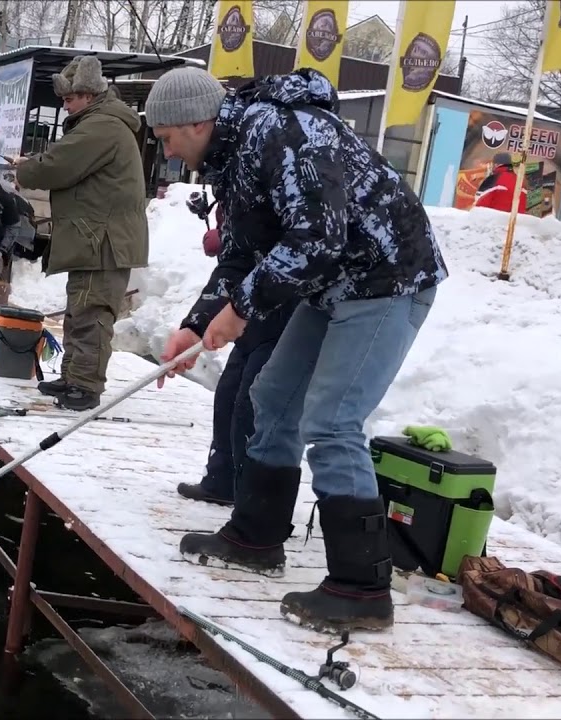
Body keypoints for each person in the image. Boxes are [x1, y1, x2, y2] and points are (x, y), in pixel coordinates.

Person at [150, 66, 448, 634]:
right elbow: (240, 256)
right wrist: (195, 326)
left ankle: (361, 588)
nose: (166, 152)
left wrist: (242, 310)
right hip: (330, 282)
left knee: (333, 421)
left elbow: (317, 237)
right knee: (275, 395)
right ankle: (258, 536)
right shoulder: (232, 157)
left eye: (166, 138)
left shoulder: (281, 133)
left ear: (195, 120)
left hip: (388, 276)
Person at [10, 55, 149, 411]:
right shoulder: (101, 123)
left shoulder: (101, 126)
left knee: (93, 314)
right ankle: (73, 377)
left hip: (105, 240)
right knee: (80, 310)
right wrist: (33, 167)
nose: (65, 104)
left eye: (69, 98)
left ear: (88, 94)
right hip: (97, 238)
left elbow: (60, 165)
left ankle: (85, 388)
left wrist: (29, 170)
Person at [160, 187, 298, 507]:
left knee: (252, 404)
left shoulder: (272, 184)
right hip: (249, 313)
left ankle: (255, 500)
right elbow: (235, 262)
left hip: (283, 309)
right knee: (227, 395)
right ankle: (222, 480)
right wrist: (197, 324)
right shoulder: (234, 187)